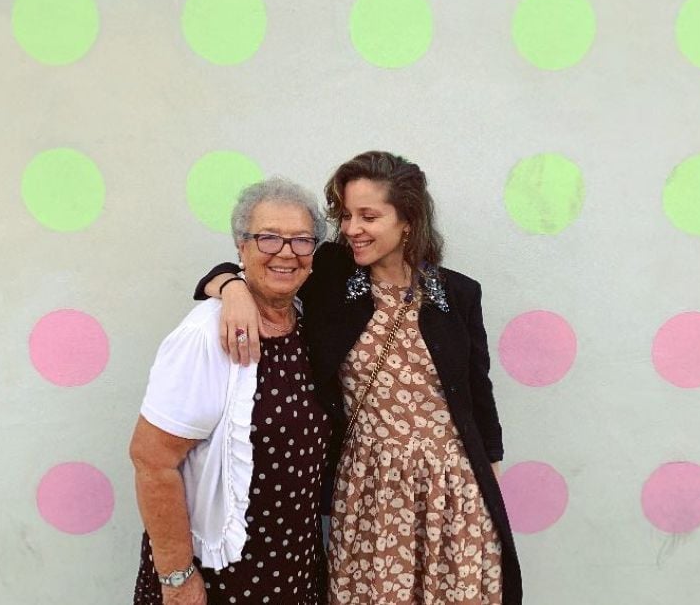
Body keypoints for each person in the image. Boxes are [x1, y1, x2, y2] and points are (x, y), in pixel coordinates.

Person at [195, 152, 522, 604]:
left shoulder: (458, 293)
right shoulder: (331, 274)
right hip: (369, 491)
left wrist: (491, 491)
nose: (351, 229)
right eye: (346, 215)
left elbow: (479, 396)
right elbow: (247, 269)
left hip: (453, 492)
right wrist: (231, 289)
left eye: (368, 216)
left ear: (408, 221)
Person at [130, 178, 332, 605]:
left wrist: (228, 282)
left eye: (301, 240)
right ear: (241, 246)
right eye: (268, 238)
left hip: (294, 569)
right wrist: (178, 579)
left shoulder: (306, 319)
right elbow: (152, 461)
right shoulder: (206, 335)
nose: (286, 252)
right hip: (220, 578)